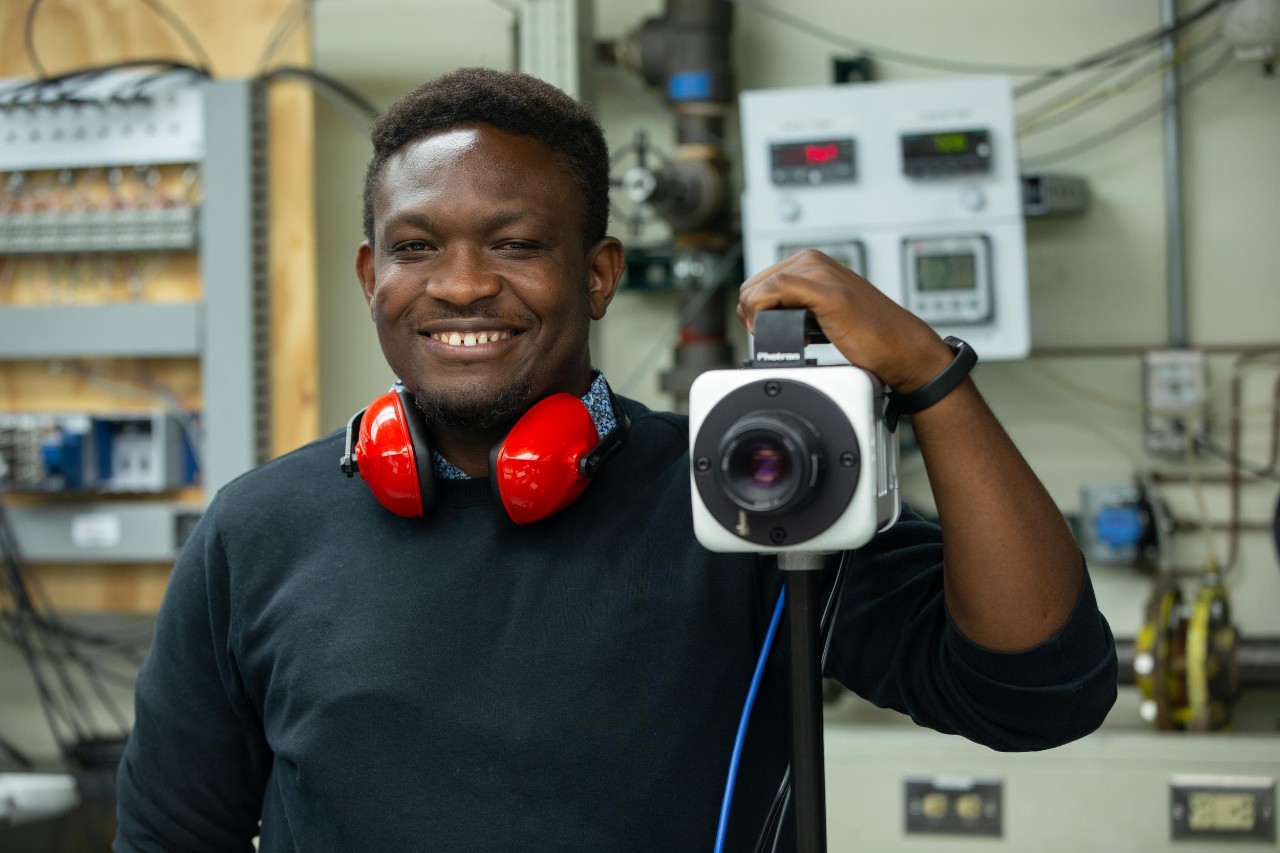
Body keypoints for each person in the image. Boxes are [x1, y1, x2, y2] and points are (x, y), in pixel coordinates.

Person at [113, 67, 1116, 852]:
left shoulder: (741, 496)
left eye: (512, 244)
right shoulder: (256, 530)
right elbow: (171, 838)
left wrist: (933, 377)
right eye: (416, 248)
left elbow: (1037, 693)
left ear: (597, 274)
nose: (460, 287)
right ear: (372, 275)